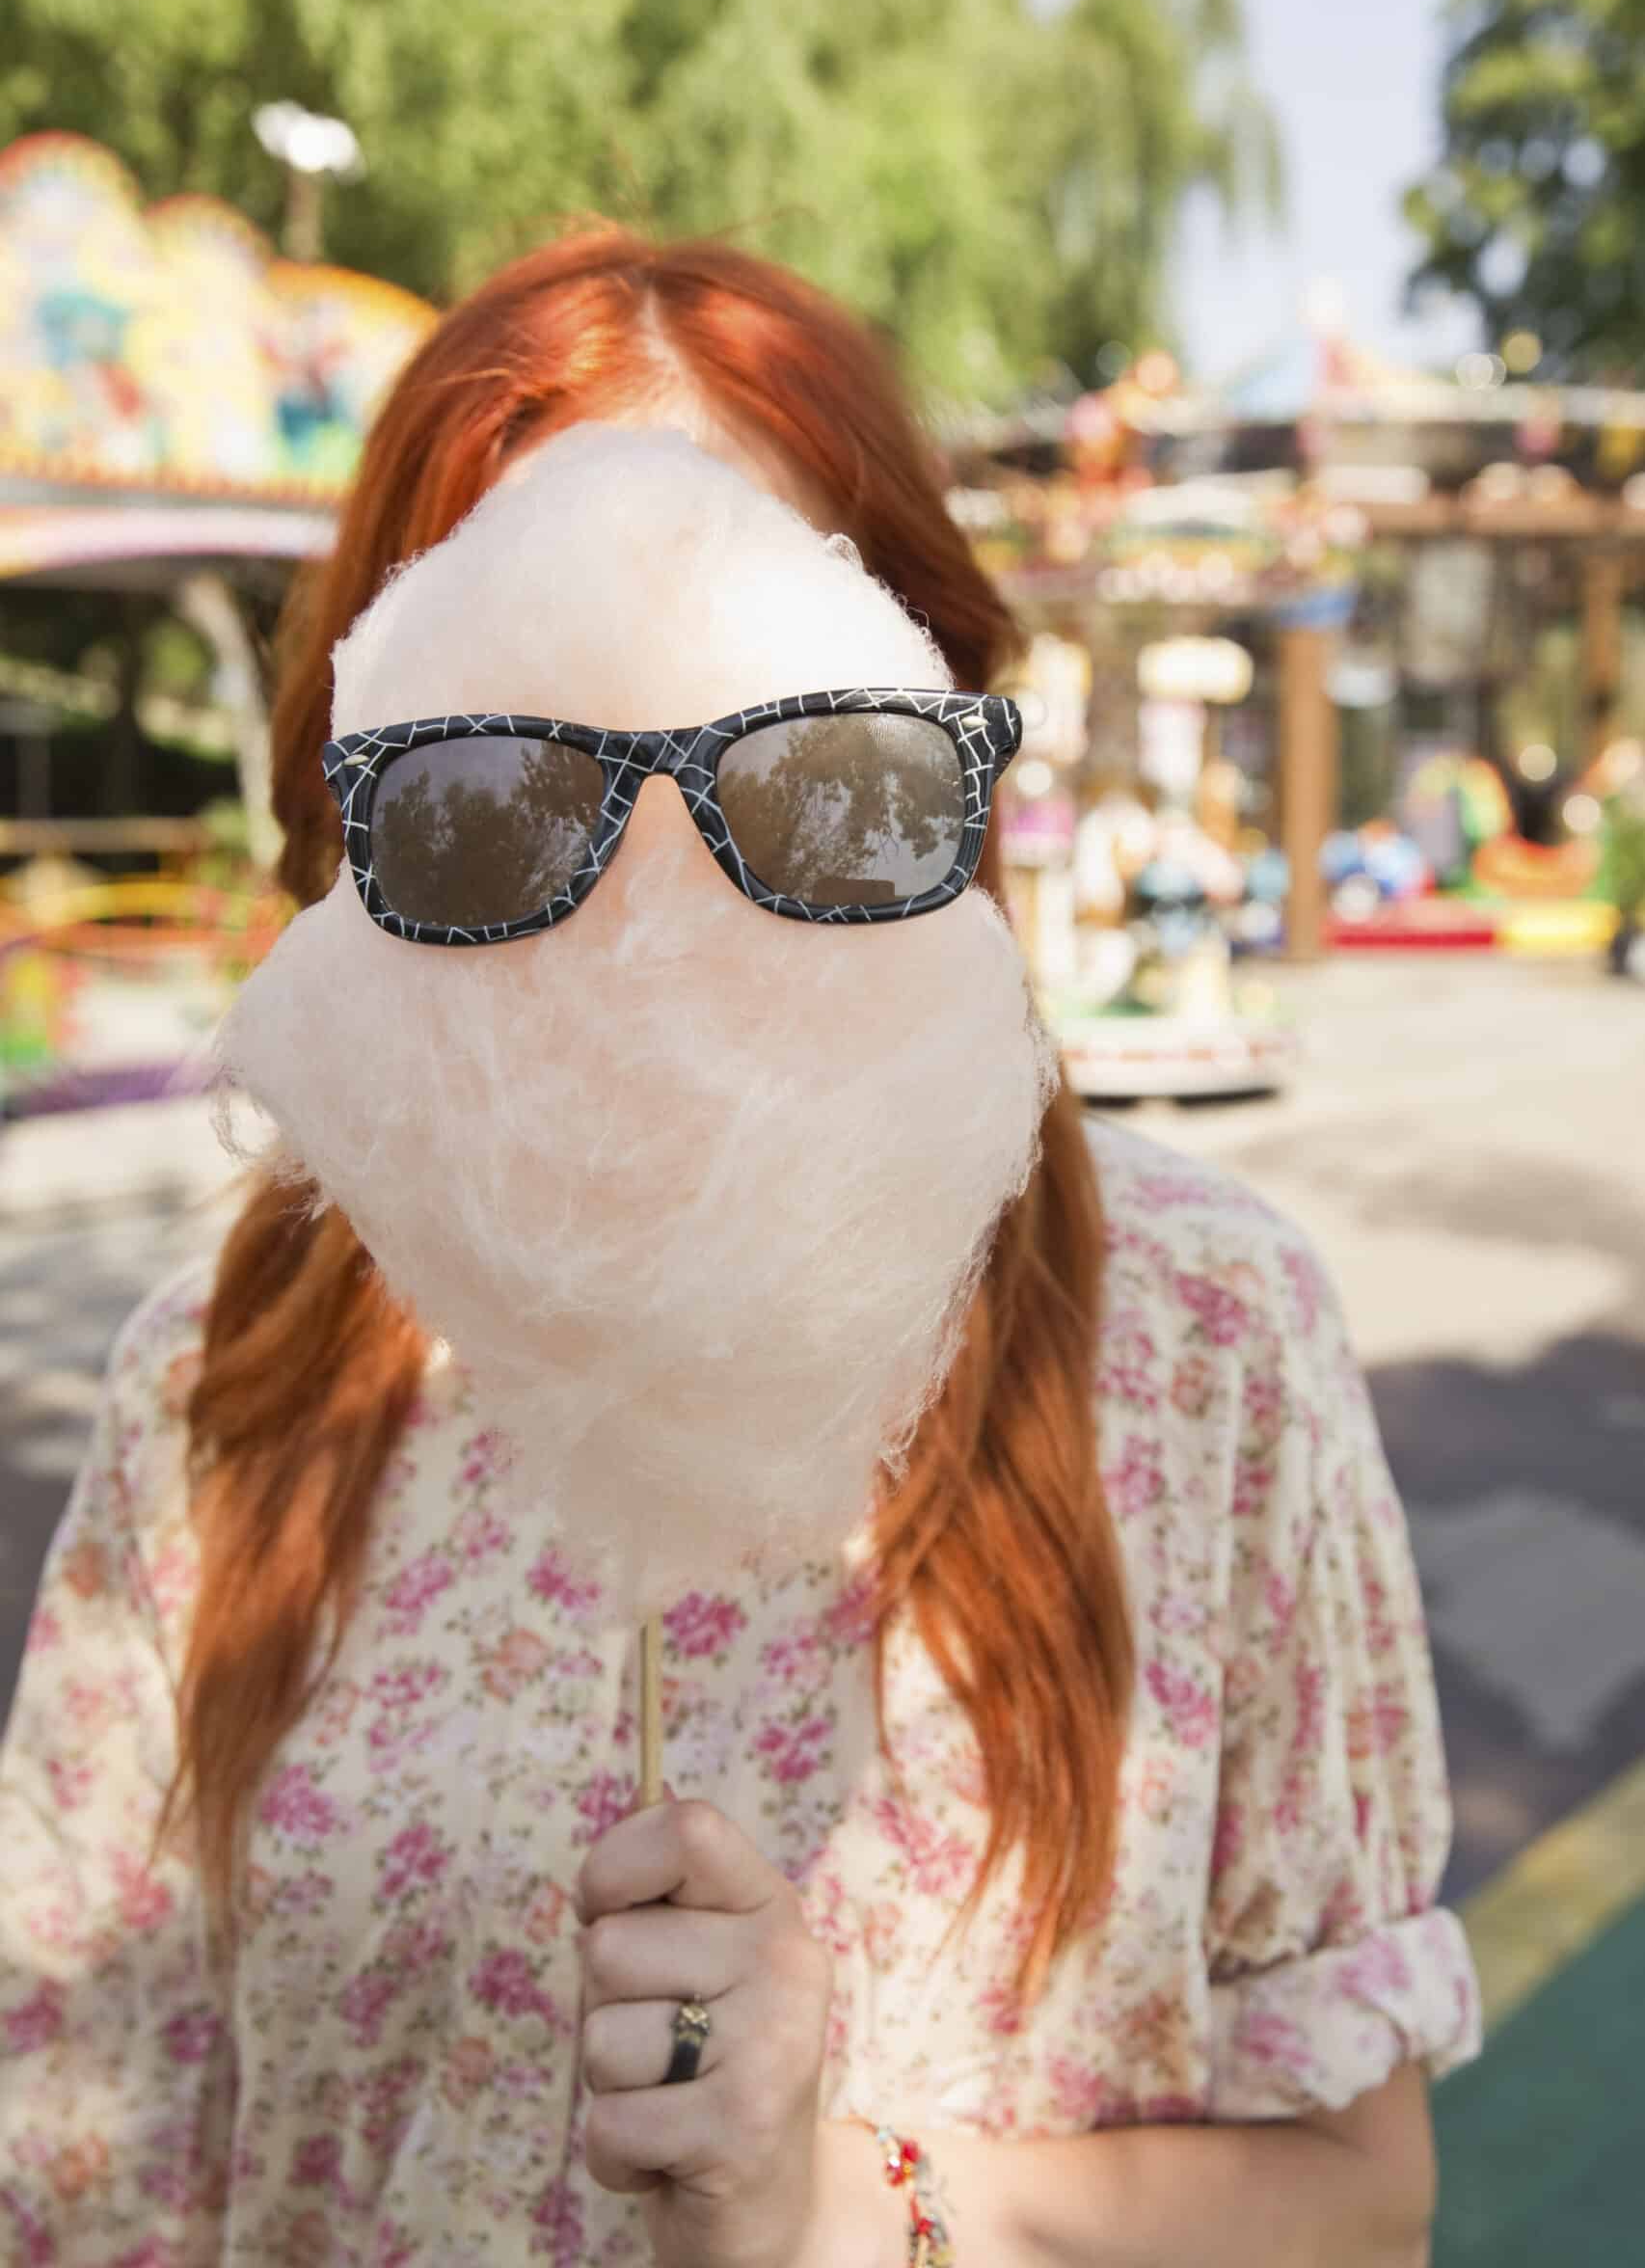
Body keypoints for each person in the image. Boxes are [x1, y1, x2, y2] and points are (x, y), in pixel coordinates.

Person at [0, 231, 1479, 2267]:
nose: (661, 891)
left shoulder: (1203, 1337)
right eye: (499, 783)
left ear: (942, 749)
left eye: (800, 767)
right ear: (359, 804)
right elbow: (81, 2170)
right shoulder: (215, 1392)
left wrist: (832, 2205)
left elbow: (1358, 2198)